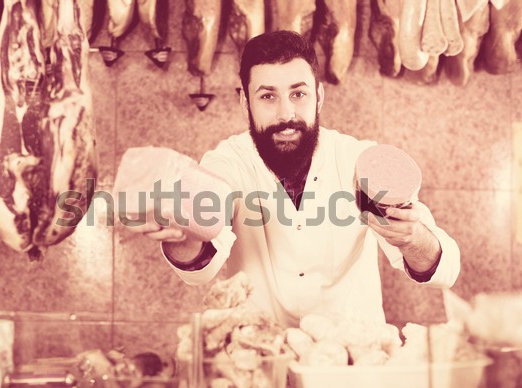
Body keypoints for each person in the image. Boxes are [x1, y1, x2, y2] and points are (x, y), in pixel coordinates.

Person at [124, 30, 460, 327]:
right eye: (268, 96)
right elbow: (201, 265)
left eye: (298, 94)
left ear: (319, 97)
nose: (286, 114)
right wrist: (184, 233)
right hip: (259, 362)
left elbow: (444, 269)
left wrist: (412, 237)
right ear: (244, 102)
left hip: (349, 365)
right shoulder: (228, 162)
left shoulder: (357, 160)